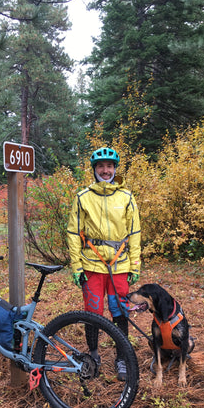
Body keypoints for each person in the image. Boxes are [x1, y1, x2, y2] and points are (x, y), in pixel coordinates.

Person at [67, 147, 141, 381]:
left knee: (120, 311)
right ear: (95, 169)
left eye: (110, 166)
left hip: (120, 266)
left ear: (115, 169)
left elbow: (135, 233)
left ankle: (122, 358)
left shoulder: (127, 197)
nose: (106, 170)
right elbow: (73, 233)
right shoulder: (82, 197)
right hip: (92, 266)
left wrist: (135, 265)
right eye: (101, 166)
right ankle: (94, 355)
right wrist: (77, 266)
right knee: (93, 312)